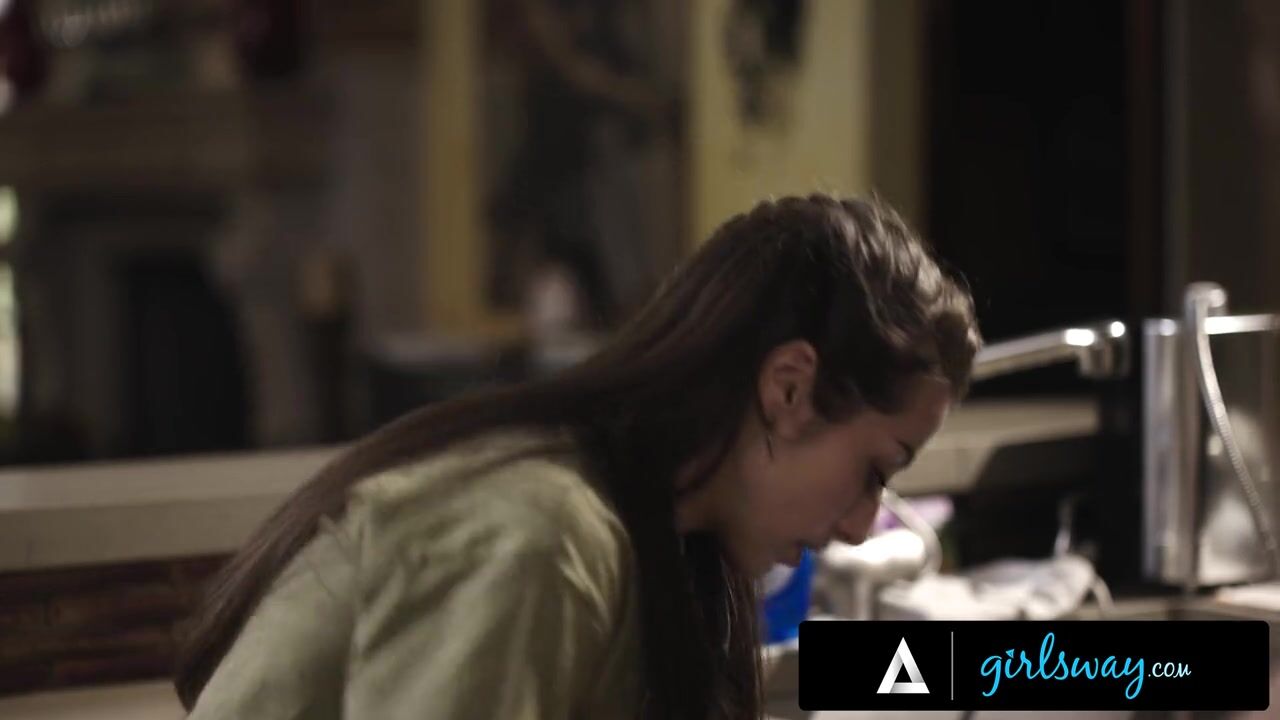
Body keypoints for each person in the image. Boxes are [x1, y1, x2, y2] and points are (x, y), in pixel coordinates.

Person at [174, 194, 982, 720]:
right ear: (789, 389)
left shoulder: (665, 551)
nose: (861, 526)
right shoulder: (539, 535)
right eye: (876, 470)